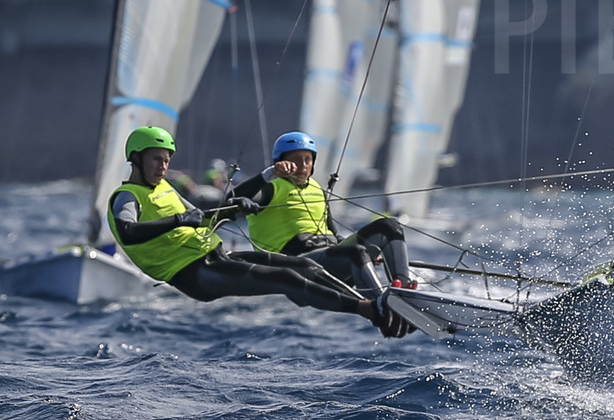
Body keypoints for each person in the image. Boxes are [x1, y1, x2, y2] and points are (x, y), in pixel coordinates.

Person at [106, 126, 402, 336]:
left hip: (215, 257)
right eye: (157, 158)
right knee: (287, 278)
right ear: (136, 159)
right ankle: (369, 309)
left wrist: (241, 204)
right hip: (192, 273)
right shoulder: (128, 196)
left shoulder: (166, 188)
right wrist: (179, 221)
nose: (163, 165)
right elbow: (128, 231)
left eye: (167, 159)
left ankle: (374, 303)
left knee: (305, 266)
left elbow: (212, 215)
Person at [230, 131, 414, 301]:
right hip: (296, 266)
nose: (303, 166)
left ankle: (403, 289)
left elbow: (333, 233)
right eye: (295, 160)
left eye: (307, 160)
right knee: (355, 253)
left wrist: (371, 251)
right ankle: (380, 303)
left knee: (389, 226)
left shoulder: (317, 189)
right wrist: (268, 174)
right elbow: (231, 199)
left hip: (332, 259)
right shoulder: (270, 188)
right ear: (281, 162)